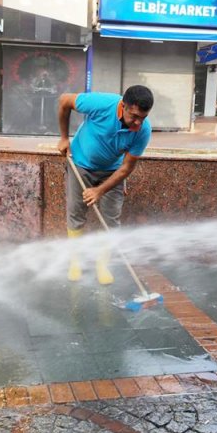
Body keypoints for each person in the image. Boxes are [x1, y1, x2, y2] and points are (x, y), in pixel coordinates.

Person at [57, 85, 154, 284]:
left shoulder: (143, 131)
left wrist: (100, 190)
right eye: (134, 116)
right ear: (123, 106)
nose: (137, 123)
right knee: (76, 213)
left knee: (111, 219)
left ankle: (103, 264)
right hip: (80, 164)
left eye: (142, 118)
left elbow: (126, 168)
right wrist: (64, 138)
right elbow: (64, 100)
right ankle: (75, 261)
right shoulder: (102, 104)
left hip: (113, 172)